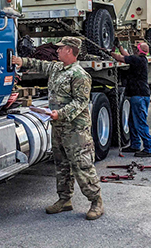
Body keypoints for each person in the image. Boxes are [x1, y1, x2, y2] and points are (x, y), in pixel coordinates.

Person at [12, 37, 104, 220]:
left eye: (60, 48)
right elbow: (40, 65)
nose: (57, 51)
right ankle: (64, 200)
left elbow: (80, 102)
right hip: (59, 126)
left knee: (81, 165)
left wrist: (59, 114)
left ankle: (96, 202)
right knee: (61, 165)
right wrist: (21, 61)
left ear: (69, 50)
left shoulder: (79, 75)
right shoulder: (56, 68)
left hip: (75, 129)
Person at [110, 40, 151, 157]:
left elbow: (120, 58)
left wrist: (110, 52)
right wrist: (119, 46)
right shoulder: (140, 60)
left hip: (139, 96)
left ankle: (149, 149)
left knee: (140, 123)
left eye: (136, 48)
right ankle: (135, 145)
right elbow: (126, 56)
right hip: (140, 95)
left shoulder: (137, 60)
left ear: (138, 51)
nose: (133, 50)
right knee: (133, 122)